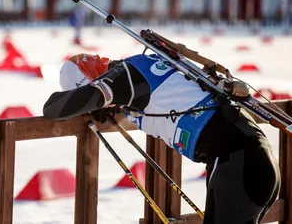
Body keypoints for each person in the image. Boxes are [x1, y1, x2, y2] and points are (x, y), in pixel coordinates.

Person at [43, 53, 281, 224]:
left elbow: (54, 109)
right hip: (248, 161)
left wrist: (92, 100)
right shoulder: (139, 74)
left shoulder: (126, 75)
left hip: (238, 165)